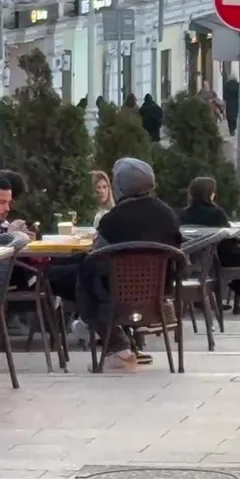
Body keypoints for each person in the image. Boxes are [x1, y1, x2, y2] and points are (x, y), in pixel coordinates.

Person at [77, 158, 182, 369]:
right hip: (159, 292)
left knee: (82, 277)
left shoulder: (112, 219)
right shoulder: (167, 214)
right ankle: (126, 346)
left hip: (116, 293)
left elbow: (97, 257)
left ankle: (116, 345)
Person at [180, 177, 240, 314]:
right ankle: (238, 298)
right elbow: (228, 235)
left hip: (192, 258)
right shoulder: (217, 213)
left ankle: (201, 298)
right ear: (210, 194)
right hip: (219, 257)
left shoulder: (184, 214)